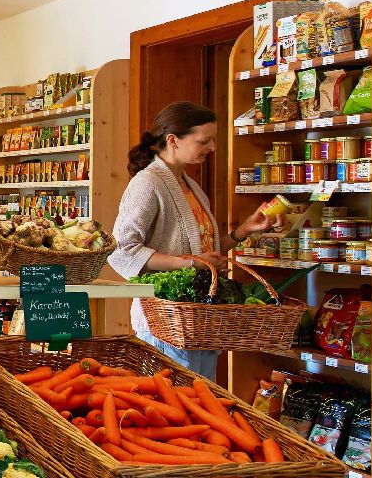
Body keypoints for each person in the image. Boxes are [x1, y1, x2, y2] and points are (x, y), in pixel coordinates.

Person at [109, 101, 275, 378]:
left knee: (199, 402)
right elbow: (122, 250)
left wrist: (243, 231)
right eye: (204, 141)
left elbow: (202, 251)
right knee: (171, 406)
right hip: (165, 322)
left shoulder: (190, 185)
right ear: (173, 140)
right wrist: (188, 263)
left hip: (198, 321)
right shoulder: (148, 183)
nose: (212, 148)